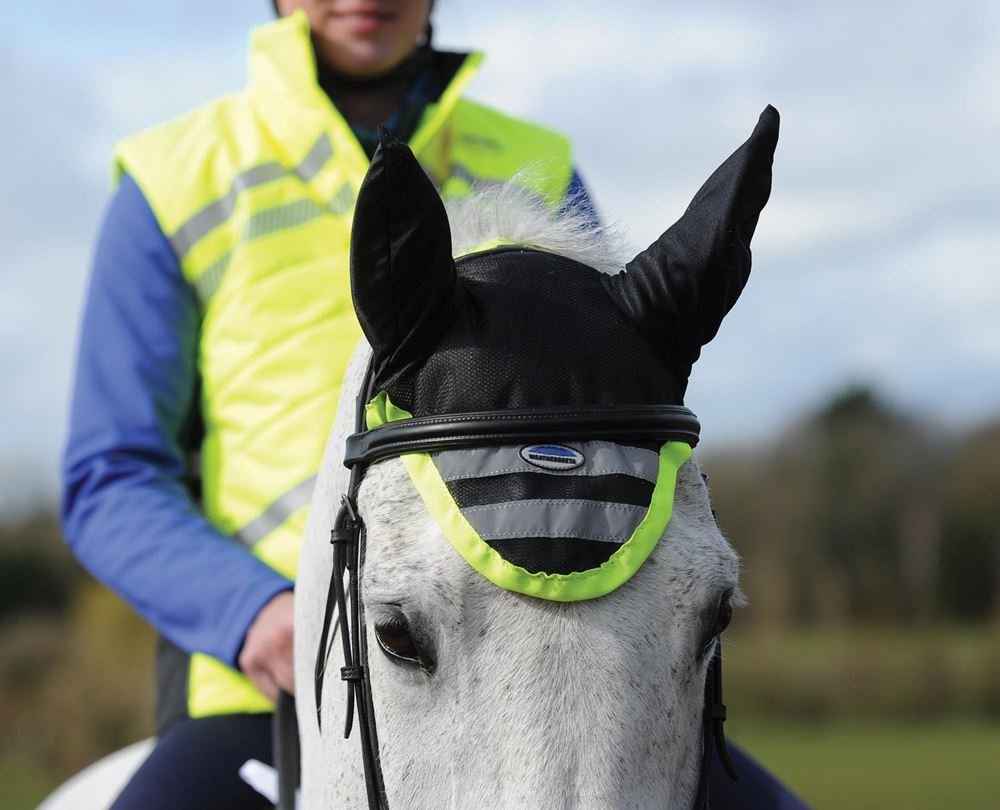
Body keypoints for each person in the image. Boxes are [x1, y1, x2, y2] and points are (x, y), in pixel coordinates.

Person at [62, 1, 806, 807]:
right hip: (266, 685)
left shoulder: (540, 165)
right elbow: (111, 475)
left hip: (567, 676)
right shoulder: (174, 178)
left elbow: (610, 414)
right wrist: (259, 615)